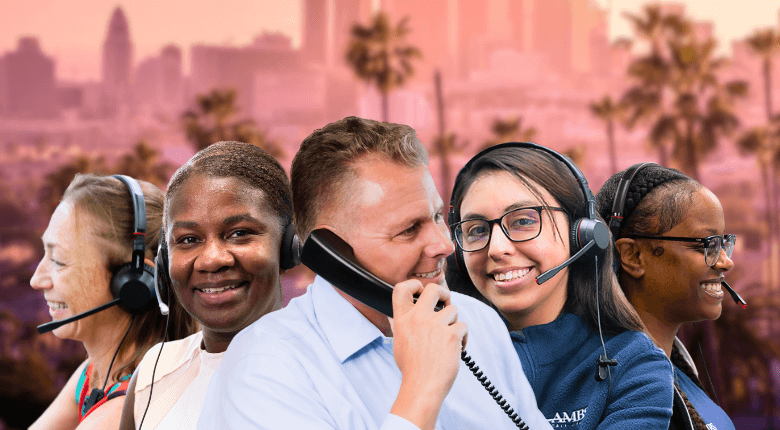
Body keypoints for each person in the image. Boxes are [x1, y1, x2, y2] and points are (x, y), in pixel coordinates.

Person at [199, 117, 551, 430]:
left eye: (437, 217)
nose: (444, 245)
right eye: (410, 229)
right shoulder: (264, 370)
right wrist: (421, 389)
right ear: (332, 254)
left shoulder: (476, 322)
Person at [445, 143, 674, 428]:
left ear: (582, 234)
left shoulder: (634, 364)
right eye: (476, 230)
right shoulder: (437, 355)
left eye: (523, 221)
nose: (496, 248)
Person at [118, 141, 296, 429]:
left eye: (239, 233)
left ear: (289, 246)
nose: (212, 259)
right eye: (188, 239)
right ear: (164, 260)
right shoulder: (155, 371)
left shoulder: (328, 371)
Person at [29, 174, 195, 429]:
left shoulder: (118, 414)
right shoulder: (97, 373)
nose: (37, 280)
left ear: (135, 282)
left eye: (59, 260)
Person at [595, 163, 736, 430]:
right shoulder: (629, 391)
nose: (726, 262)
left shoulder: (674, 366)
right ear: (633, 256)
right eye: (707, 245)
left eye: (724, 243)